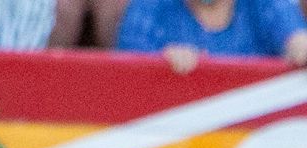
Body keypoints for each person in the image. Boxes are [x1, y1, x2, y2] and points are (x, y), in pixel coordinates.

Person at [115, 0, 307, 69]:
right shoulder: (150, 6)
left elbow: (294, 34)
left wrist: (298, 45)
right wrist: (160, 62)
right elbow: (124, 68)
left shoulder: (263, 4)